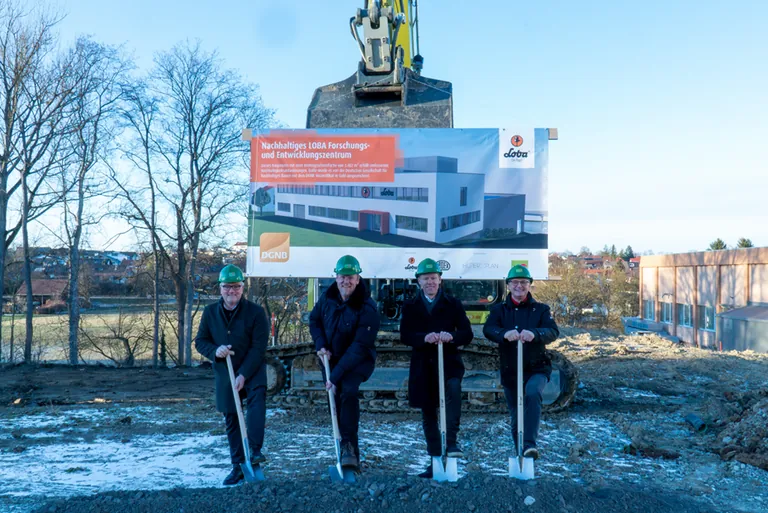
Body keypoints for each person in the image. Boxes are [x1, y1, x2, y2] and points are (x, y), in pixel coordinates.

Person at [194, 264, 269, 486]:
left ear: (242, 288)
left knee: (256, 404)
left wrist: (244, 374)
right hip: (225, 372)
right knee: (232, 417)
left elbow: (259, 348)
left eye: (236, 286)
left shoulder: (256, 313)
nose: (231, 291)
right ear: (220, 288)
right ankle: (237, 466)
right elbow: (200, 341)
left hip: (252, 370)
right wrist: (215, 351)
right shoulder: (210, 313)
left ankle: (254, 451)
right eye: (227, 286)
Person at [400, 258, 473, 478]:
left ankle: (451, 443)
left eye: (433, 278)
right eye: (426, 278)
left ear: (440, 280)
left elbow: (467, 333)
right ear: (419, 281)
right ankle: (435, 459)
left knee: (453, 391)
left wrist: (452, 336)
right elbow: (405, 335)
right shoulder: (410, 306)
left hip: (449, 363)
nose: (430, 282)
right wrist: (424, 338)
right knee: (428, 412)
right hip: (423, 366)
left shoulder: (453, 304)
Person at [482, 264, 559, 460]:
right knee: (516, 412)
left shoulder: (541, 310)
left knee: (532, 394)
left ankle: (530, 445)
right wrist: (503, 334)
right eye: (515, 282)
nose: (519, 286)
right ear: (508, 285)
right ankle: (520, 451)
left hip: (537, 368)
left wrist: (535, 333)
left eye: (524, 282)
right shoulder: (499, 310)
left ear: (529, 285)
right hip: (511, 370)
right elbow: (488, 329)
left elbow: (552, 331)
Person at [310, 255, 379, 471]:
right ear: (336, 277)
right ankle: (344, 448)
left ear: (358, 279)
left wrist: (334, 376)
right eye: (342, 276)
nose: (345, 281)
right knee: (335, 400)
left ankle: (349, 447)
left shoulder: (367, 307)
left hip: (357, 361)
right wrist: (321, 344)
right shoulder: (327, 298)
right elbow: (314, 320)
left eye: (350, 277)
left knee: (347, 392)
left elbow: (359, 346)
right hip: (331, 359)